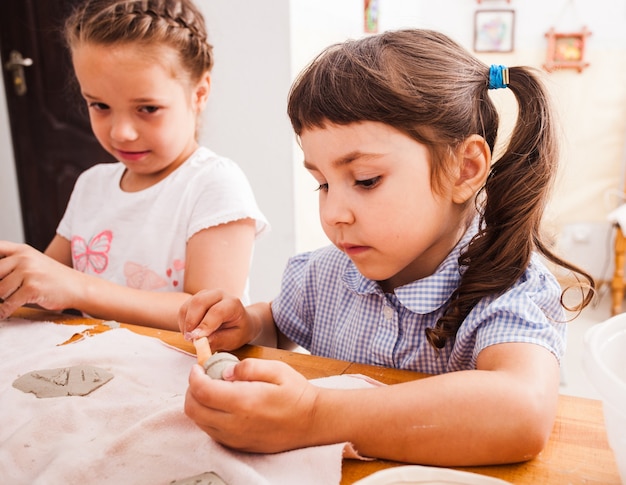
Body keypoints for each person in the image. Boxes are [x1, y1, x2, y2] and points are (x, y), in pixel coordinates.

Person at [179, 29, 594, 465]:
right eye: (322, 183)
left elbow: (520, 412)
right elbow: (281, 325)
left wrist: (313, 416)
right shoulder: (326, 273)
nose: (334, 212)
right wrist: (246, 324)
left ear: (464, 169)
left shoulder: (509, 288)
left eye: (365, 180)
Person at [0, 0, 268, 330]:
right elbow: (45, 278)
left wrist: (78, 288)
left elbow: (210, 316)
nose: (121, 133)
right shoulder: (91, 185)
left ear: (199, 94)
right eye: (99, 105)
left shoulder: (214, 184)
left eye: (147, 108)